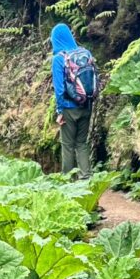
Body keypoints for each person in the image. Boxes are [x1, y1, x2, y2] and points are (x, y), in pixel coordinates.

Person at [49, 21, 100, 178]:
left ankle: (68, 183)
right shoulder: (86, 53)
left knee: (68, 146)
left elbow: (60, 89)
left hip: (69, 108)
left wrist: (60, 111)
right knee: (82, 144)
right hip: (86, 105)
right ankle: (87, 180)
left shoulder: (59, 59)